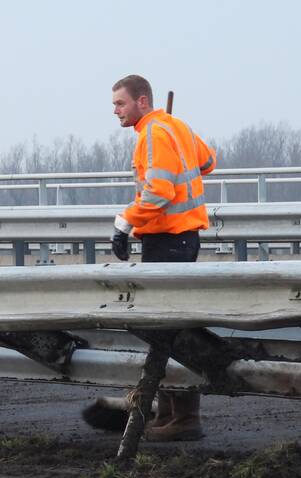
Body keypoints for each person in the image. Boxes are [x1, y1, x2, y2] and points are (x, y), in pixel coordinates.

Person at [110, 74, 217, 441]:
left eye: (121, 104)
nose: (116, 112)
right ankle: (172, 413)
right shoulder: (176, 127)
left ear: (142, 102)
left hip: (167, 240)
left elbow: (158, 192)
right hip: (183, 239)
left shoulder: (154, 133)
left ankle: (184, 417)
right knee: (168, 325)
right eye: (114, 105)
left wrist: (125, 222)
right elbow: (208, 161)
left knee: (167, 328)